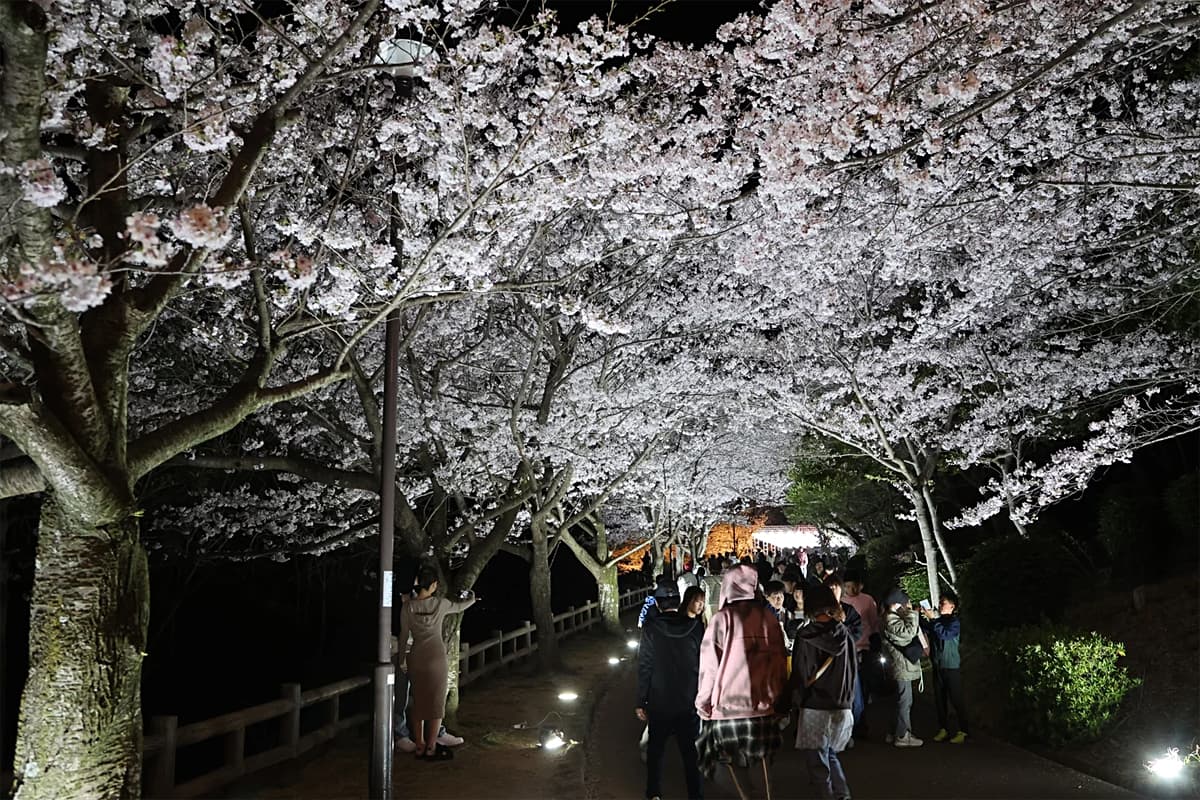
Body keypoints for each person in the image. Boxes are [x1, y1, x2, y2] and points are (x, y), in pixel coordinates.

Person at [695, 564, 788, 800]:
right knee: (765, 762)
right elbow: (779, 662)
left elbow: (709, 667)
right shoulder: (769, 619)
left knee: (732, 763)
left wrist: (703, 702)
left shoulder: (721, 619)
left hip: (728, 708)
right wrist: (780, 697)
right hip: (763, 705)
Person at [397, 565, 476, 760]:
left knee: (418, 701)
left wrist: (402, 660)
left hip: (416, 657)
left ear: (417, 583)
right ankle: (432, 745)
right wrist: (472, 598)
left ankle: (419, 744)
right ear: (433, 585)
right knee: (436, 702)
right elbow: (460, 606)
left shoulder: (408, 607)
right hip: (436, 657)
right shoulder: (441, 604)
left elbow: (403, 635)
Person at [788, 585, 856, 800]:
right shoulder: (844, 634)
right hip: (841, 705)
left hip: (814, 706)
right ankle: (842, 794)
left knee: (817, 761)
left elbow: (800, 673)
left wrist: (791, 702)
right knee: (831, 754)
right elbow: (853, 671)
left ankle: (828, 796)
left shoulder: (806, 635)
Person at [638, 584, 706, 800]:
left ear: (657, 604)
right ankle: (695, 796)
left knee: (656, 752)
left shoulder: (650, 629)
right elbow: (705, 665)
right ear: (679, 602)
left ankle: (654, 794)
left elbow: (645, 666)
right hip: (689, 700)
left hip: (659, 701)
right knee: (690, 754)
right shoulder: (696, 628)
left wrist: (641, 700)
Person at [921, 589, 969, 744]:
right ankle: (944, 729)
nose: (941, 605)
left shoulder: (954, 622)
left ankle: (964, 730)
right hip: (938, 665)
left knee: (956, 699)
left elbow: (944, 634)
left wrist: (932, 620)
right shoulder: (938, 621)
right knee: (939, 700)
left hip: (951, 666)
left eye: (944, 603)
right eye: (940, 602)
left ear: (952, 606)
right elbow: (926, 629)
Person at [840, 572, 881, 740]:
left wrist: (876, 640)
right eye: (847, 586)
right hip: (847, 650)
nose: (850, 589)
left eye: (853, 586)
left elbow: (874, 622)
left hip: (864, 647)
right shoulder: (841, 602)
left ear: (860, 585)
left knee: (863, 688)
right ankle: (851, 725)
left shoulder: (867, 600)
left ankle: (861, 724)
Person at [881, 587, 924, 747]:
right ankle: (902, 735)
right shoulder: (890, 619)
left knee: (900, 701)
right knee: (905, 701)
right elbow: (908, 633)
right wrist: (912, 614)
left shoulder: (889, 617)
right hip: (901, 666)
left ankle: (893, 732)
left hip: (900, 666)